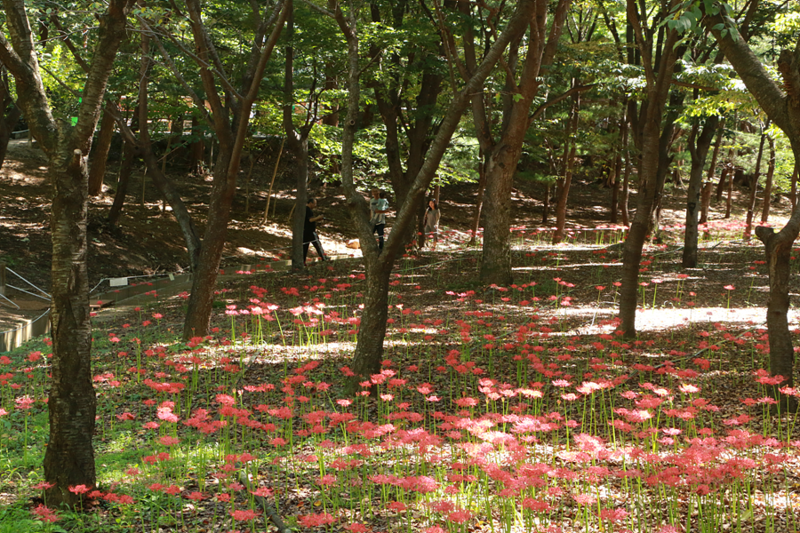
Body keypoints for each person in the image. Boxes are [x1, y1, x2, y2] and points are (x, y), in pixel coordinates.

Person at [303, 197, 327, 264]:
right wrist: (318, 217)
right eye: (314, 204)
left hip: (305, 231)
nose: (315, 206)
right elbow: (310, 220)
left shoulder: (305, 209)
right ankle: (324, 257)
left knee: (305, 247)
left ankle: (303, 261)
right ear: (310, 203)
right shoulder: (308, 210)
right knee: (317, 244)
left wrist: (317, 219)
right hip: (310, 231)